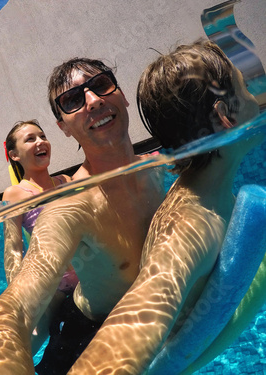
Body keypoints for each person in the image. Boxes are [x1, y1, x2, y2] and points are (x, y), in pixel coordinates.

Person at [0, 57, 164, 374]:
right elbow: (15, 257)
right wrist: (1, 321)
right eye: (73, 100)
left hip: (84, 283)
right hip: (69, 303)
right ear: (64, 126)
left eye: (101, 85)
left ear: (121, 93)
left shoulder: (149, 169)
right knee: (32, 335)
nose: (93, 101)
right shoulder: (53, 200)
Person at [68, 40, 262, 374]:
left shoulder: (205, 191)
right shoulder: (189, 228)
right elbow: (129, 332)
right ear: (224, 116)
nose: (255, 98)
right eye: (245, 88)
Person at [2, 120, 74, 354]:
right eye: (30, 139)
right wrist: (19, 298)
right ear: (14, 155)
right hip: (54, 286)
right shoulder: (15, 194)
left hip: (88, 276)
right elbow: (13, 248)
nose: (40, 142)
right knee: (28, 343)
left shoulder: (66, 181)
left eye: (42, 136)